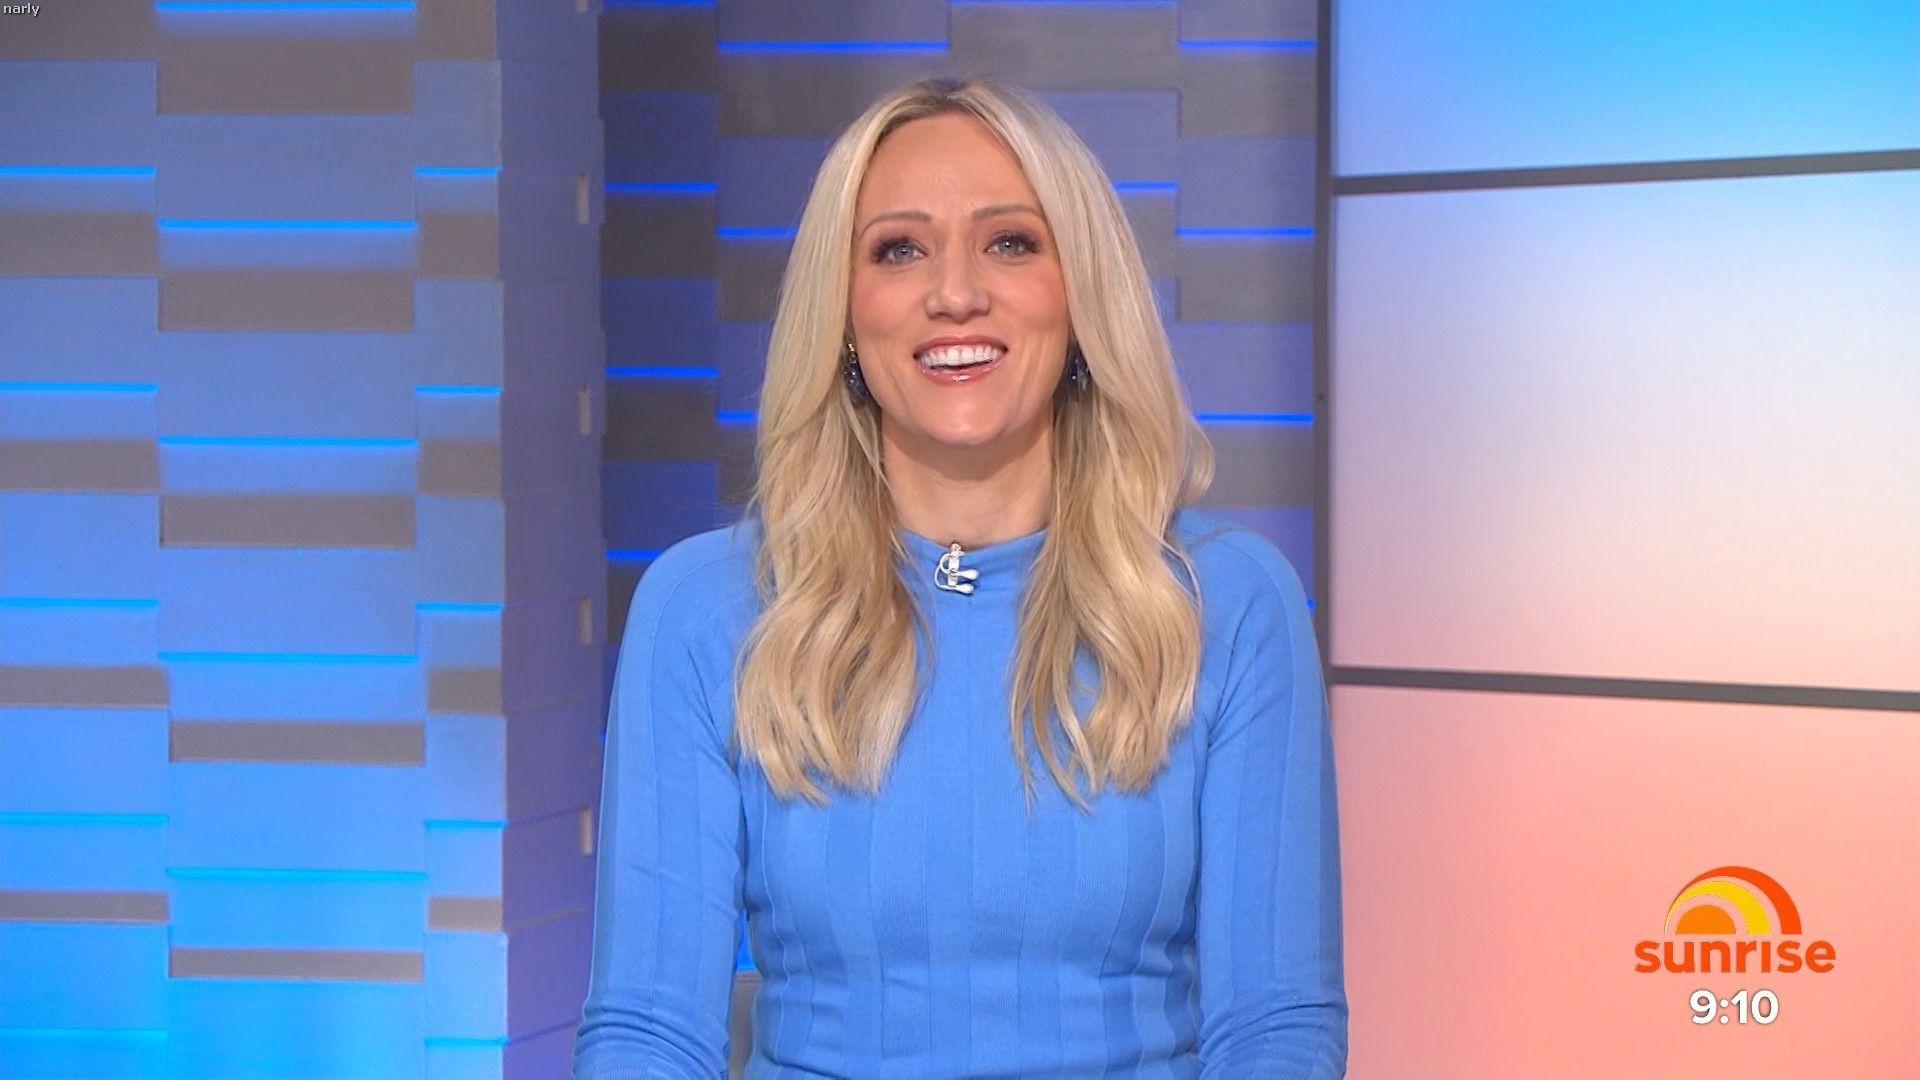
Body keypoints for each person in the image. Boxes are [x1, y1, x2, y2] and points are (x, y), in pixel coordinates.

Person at [573, 74, 1346, 1079]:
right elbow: (647, 1032)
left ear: (1081, 295)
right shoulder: (705, 608)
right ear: (843, 315)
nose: (955, 292)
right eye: (899, 249)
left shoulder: (1229, 603)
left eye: (1010, 242)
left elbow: (1275, 1030)